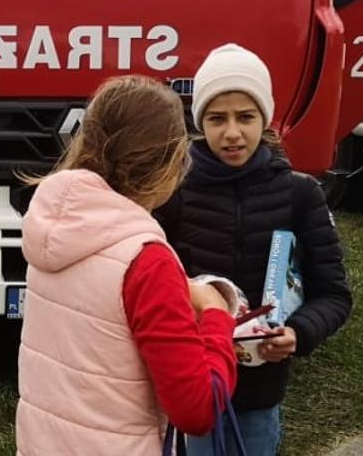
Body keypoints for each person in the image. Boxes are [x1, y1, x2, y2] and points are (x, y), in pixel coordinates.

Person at [17, 75, 240, 456]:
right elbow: (196, 408)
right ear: (171, 160)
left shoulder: (54, 227)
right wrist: (218, 315)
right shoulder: (147, 262)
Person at [153, 43, 353, 456]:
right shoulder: (171, 193)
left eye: (245, 117)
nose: (231, 133)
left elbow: (333, 294)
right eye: (216, 118)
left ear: (265, 118)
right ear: (199, 123)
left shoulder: (301, 194)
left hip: (259, 394)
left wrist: (298, 334)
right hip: (192, 387)